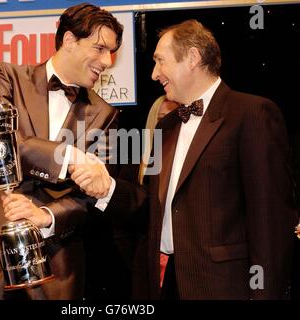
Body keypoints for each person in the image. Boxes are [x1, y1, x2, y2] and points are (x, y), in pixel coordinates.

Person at [71, 19, 299, 299]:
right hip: (165, 285)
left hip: (226, 288)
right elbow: (147, 204)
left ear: (192, 57)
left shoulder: (252, 113)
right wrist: (107, 189)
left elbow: (271, 221)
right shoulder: (165, 127)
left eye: (160, 61)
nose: (154, 74)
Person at [0, 3, 123, 300]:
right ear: (69, 40)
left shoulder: (105, 114)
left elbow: (92, 196)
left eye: (111, 52)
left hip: (55, 257)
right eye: (99, 48)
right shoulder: (7, 75)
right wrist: (69, 158)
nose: (107, 60)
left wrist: (45, 215)